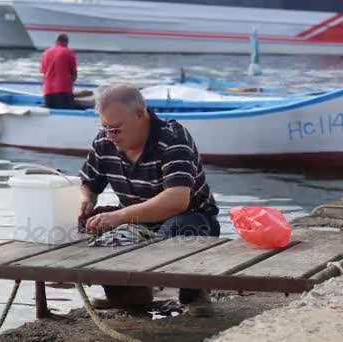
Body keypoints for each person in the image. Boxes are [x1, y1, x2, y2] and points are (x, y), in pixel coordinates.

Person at [78, 84, 221, 317]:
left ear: (140, 115)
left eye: (116, 129)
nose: (110, 136)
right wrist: (86, 200)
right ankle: (127, 292)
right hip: (138, 221)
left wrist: (119, 216)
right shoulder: (104, 142)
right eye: (105, 128)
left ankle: (194, 293)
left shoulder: (172, 137)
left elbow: (176, 200)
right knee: (91, 222)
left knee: (181, 228)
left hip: (189, 218)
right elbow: (88, 183)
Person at [40, 33, 78, 109]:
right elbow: (74, 75)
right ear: (67, 42)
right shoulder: (69, 52)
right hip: (63, 93)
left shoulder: (45, 53)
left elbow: (43, 72)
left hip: (48, 94)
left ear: (56, 41)